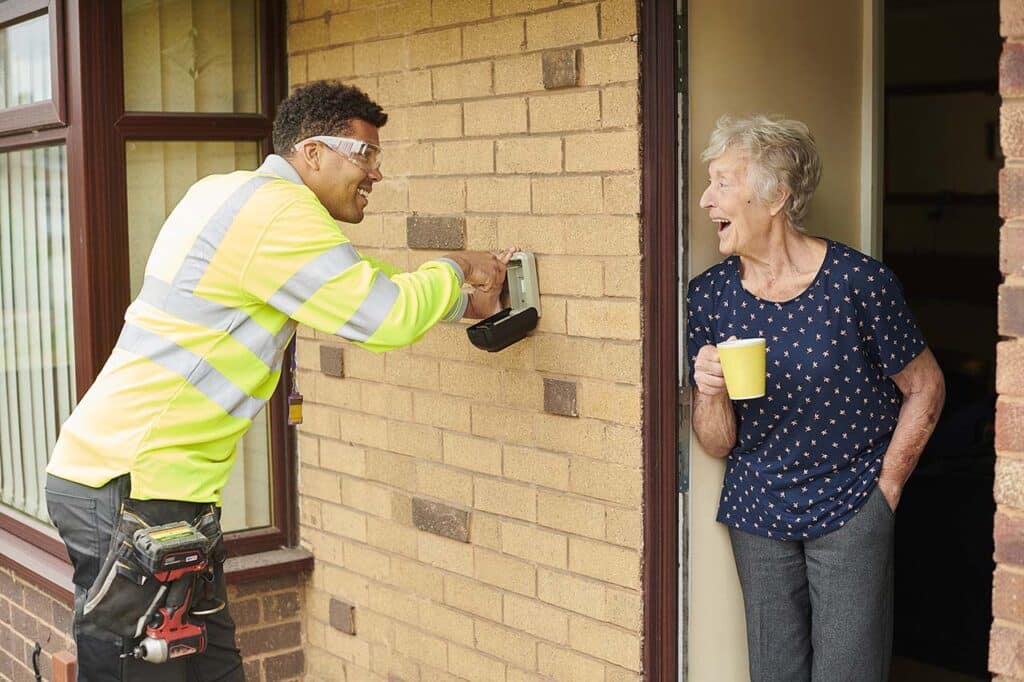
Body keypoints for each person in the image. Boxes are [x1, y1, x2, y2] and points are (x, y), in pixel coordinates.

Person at [44, 80, 514, 681]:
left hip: (154, 488)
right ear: (312, 153)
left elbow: (355, 279)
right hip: (134, 488)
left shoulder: (232, 193)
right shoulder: (278, 214)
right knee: (142, 674)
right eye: (364, 155)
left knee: (212, 670)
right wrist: (453, 271)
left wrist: (466, 308)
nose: (375, 174)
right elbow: (380, 315)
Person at [687, 114, 945, 682]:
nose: (706, 200)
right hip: (757, 509)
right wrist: (708, 391)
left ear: (776, 195)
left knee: (849, 673)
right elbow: (716, 441)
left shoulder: (859, 283)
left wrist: (888, 489)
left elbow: (925, 387)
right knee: (774, 672)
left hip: (853, 505)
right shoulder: (708, 297)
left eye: (722, 183)